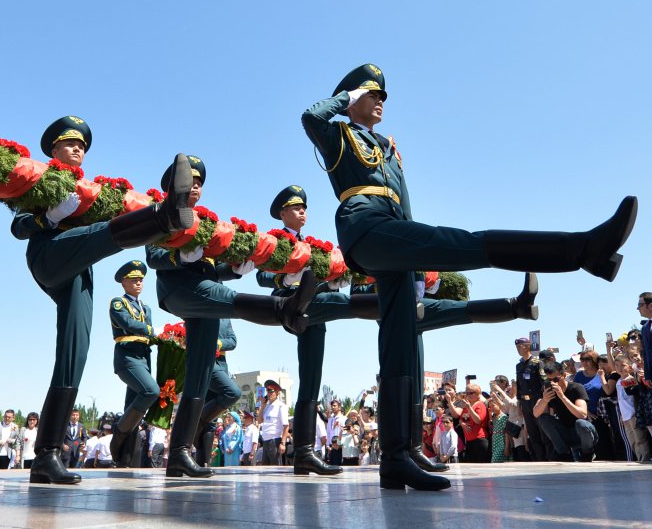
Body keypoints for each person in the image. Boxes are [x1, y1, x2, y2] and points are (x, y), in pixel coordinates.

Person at [301, 63, 636, 490]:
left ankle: (398, 456)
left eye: (383, 95)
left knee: (400, 346)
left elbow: (404, 206)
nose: (381, 100)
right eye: (372, 93)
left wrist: (415, 262)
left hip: (395, 236)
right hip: (365, 228)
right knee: (465, 243)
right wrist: (345, 98)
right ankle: (583, 249)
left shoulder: (387, 147)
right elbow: (310, 117)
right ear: (352, 98)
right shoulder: (339, 135)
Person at [260, 185, 539, 477]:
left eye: (304, 207)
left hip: (322, 307)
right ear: (282, 213)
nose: (302, 211)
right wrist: (292, 277)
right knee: (327, 362)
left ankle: (319, 453)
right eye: (295, 207)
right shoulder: (277, 241)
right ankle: (313, 451)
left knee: (314, 376)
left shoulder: (318, 246)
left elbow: (342, 275)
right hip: (296, 304)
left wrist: (331, 281)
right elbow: (264, 274)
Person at [13, 116, 199, 485]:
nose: (77, 149)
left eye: (82, 145)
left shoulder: (90, 191)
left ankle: (47, 456)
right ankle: (165, 215)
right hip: (49, 254)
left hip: (79, 268)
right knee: (101, 234)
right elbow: (18, 227)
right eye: (70, 143)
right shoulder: (39, 178)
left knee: (75, 354)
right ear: (53, 149)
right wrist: (49, 218)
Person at [146, 156, 318, 478]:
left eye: (199, 183)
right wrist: (180, 255)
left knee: (199, 374)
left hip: (203, 292)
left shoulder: (204, 221)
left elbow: (212, 267)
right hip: (180, 289)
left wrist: (236, 269)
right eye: (189, 181)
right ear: (172, 185)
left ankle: (179, 453)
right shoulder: (160, 211)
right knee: (224, 298)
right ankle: (284, 309)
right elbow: (154, 257)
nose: (195, 186)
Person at [107, 260, 158, 468]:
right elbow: (128, 323)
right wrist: (151, 331)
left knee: (133, 409)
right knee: (151, 391)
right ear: (124, 282)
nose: (138, 283)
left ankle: (124, 459)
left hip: (143, 358)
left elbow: (150, 334)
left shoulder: (146, 308)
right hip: (127, 358)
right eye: (134, 279)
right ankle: (118, 434)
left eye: (141, 280)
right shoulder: (118, 303)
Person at [194, 319, 243, 468]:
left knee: (211, 421)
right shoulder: (201, 311)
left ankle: (203, 463)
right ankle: (196, 424)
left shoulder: (225, 318)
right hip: (203, 361)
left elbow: (233, 341)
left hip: (220, 364)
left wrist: (218, 343)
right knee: (232, 392)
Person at [534, 361, 599, 461]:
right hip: (565, 433)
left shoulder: (576, 387)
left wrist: (563, 397)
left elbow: (582, 414)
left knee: (581, 423)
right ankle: (564, 454)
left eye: (555, 379)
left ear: (564, 375)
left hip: (584, 433)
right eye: (549, 380)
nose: (553, 383)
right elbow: (536, 413)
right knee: (544, 419)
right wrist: (545, 400)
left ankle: (587, 453)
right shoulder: (547, 390)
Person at [258, 380, 290, 466]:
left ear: (277, 392)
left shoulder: (281, 406)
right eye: (267, 391)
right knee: (265, 467)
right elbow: (260, 421)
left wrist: (283, 443)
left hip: (275, 440)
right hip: (266, 440)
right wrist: (262, 406)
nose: (269, 394)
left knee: (276, 468)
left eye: (271, 391)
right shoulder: (267, 406)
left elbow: (286, 426)